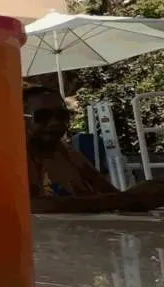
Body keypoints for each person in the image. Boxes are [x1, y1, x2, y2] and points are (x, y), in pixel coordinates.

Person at [24, 85, 164, 213]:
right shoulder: (14, 159)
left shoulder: (69, 155)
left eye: (61, 116)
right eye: (42, 117)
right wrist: (129, 198)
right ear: (19, 119)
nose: (54, 123)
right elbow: (32, 206)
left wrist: (147, 194)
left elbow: (113, 196)